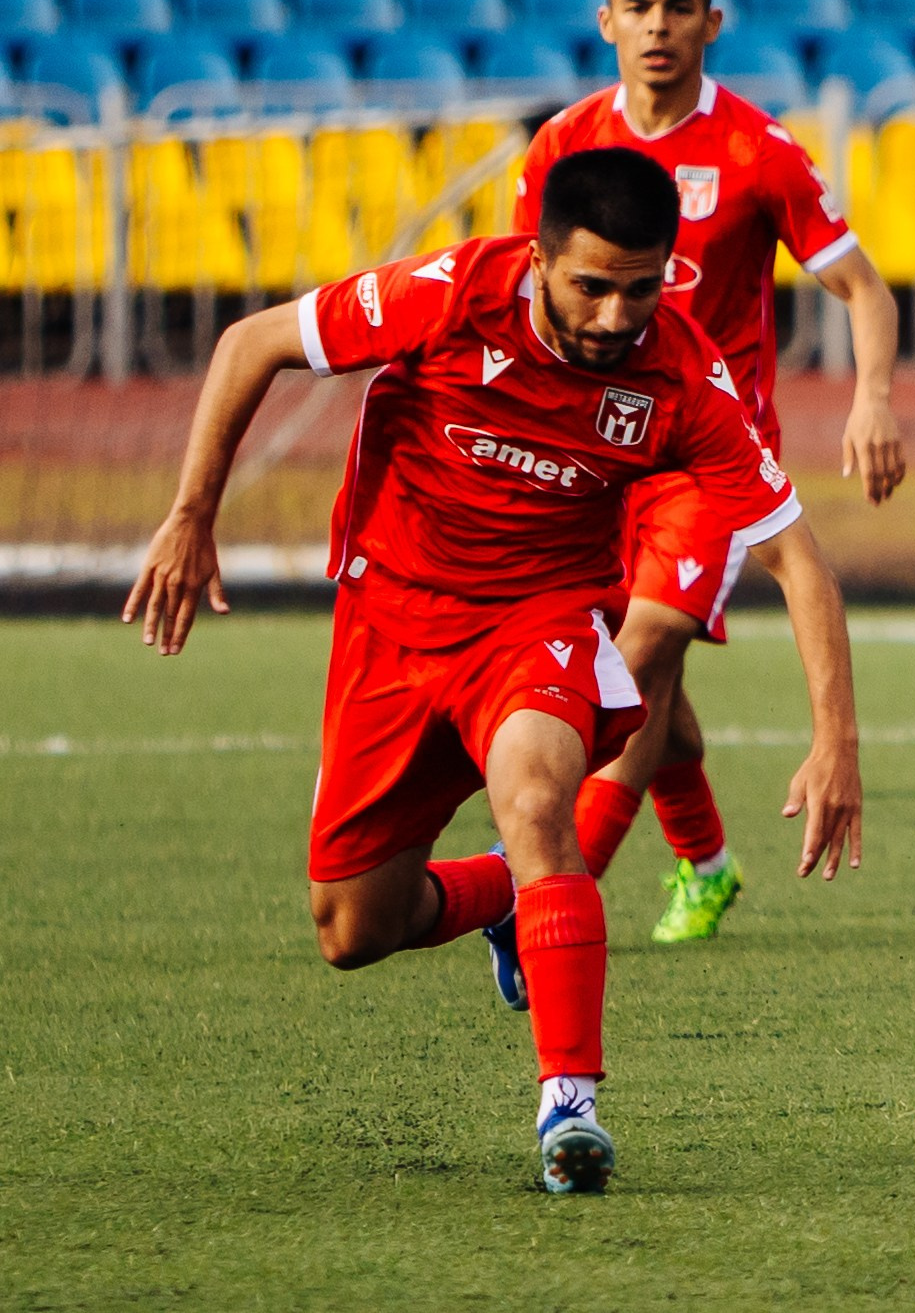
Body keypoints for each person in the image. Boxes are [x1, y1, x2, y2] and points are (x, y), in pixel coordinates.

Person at [124, 149, 864, 1193]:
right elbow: (251, 346)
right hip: (388, 621)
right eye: (590, 286)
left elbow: (800, 559)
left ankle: (570, 1104)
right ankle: (512, 906)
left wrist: (835, 742)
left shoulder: (680, 377)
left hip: (538, 623)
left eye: (642, 289)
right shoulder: (447, 295)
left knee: (533, 799)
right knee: (353, 927)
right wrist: (192, 513)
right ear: (539, 258)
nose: (616, 316)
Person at [512, 0, 903, 945]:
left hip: (705, 454)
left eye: (677, 8)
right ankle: (706, 861)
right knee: (643, 681)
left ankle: (552, 900)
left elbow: (861, 286)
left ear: (711, 21)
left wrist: (872, 395)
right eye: (637, 7)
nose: (657, 26)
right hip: (594, 452)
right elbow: (522, 292)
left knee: (635, 654)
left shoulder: (758, 152)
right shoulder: (563, 147)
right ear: (605, 20)